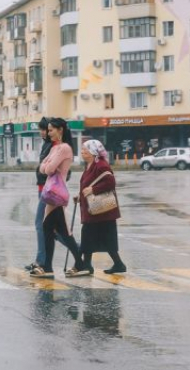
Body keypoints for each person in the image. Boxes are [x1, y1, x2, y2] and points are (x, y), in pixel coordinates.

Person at [30, 117, 86, 278]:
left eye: (51, 130)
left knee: (58, 230)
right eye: (48, 130)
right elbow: (43, 166)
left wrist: (46, 166)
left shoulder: (65, 149)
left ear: (60, 130)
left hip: (56, 192)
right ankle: (50, 267)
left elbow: (48, 169)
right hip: (51, 192)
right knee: (52, 229)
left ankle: (74, 263)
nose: (48, 133)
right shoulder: (56, 148)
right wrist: (46, 166)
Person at [75, 139, 126, 275]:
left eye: (84, 150)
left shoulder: (101, 165)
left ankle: (89, 265)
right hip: (95, 210)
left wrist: (93, 190)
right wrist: (80, 195)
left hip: (102, 211)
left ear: (92, 152)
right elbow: (87, 184)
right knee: (92, 237)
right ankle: (117, 264)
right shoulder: (90, 164)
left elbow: (110, 182)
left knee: (92, 236)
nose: (82, 152)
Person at [26, 117, 53, 272]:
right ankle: (80, 251)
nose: (42, 133)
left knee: (41, 225)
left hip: (48, 190)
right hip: (42, 189)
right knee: (52, 229)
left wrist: (41, 171)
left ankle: (41, 261)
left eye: (45, 130)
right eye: (41, 130)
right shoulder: (46, 144)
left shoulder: (53, 146)